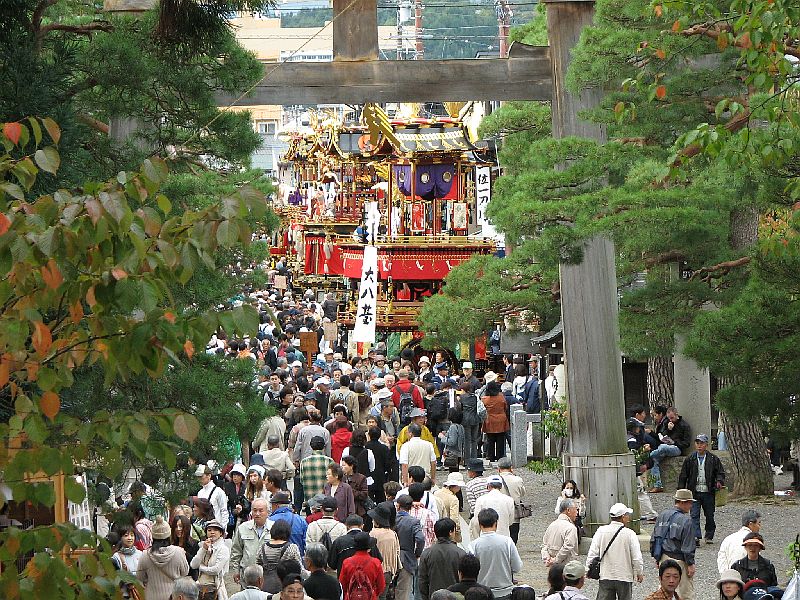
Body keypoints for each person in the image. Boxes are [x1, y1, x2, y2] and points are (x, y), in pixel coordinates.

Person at [585, 503, 644, 600]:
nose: (628, 517)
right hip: (624, 575)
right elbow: (636, 557)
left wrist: (588, 569)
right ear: (622, 517)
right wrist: (639, 572)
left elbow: (593, 552)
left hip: (606, 574)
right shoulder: (630, 534)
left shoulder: (601, 531)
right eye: (627, 515)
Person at [677, 433, 725, 545]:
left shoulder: (713, 459)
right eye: (697, 443)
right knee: (694, 514)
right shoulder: (690, 458)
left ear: (706, 445)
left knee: (709, 514)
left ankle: (709, 534)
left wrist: (719, 481)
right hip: (694, 491)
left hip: (708, 491)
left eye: (702, 443)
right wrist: (681, 490)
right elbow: (683, 475)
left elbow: (720, 472)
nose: (699, 445)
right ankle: (696, 536)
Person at [651, 490, 696, 600]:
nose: (691, 506)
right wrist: (690, 563)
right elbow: (688, 545)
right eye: (690, 502)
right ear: (683, 502)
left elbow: (654, 538)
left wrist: (657, 558)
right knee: (685, 592)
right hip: (680, 559)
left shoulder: (662, 515)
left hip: (663, 557)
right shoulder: (686, 520)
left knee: (664, 590)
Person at [469, 508, 522, 600]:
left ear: (480, 525)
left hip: (481, 593)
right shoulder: (507, 542)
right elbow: (517, 567)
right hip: (505, 591)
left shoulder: (473, 546)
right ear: (495, 523)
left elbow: (470, 572)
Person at [136, 516, 190, 600]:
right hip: (174, 596)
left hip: (151, 596)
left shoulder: (145, 554)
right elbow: (185, 572)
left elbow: (140, 577)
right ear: (168, 535)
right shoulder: (179, 552)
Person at [418, 518, 466, 600]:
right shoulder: (460, 553)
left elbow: (422, 580)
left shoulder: (427, 553)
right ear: (450, 532)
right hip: (455, 596)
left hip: (434, 596)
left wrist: (425, 597)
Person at [648, 407, 692, 493]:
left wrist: (674, 442)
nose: (670, 420)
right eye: (669, 418)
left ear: (677, 415)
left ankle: (651, 453)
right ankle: (658, 485)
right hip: (665, 446)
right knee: (653, 460)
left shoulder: (684, 425)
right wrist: (668, 430)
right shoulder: (667, 423)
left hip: (677, 448)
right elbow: (661, 436)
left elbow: (686, 443)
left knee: (662, 448)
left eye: (672, 418)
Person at [230, 498, 271, 585]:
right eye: (254, 510)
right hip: (247, 575)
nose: (257, 514)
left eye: (261, 510)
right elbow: (236, 551)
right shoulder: (243, 528)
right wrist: (236, 570)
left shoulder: (274, 528)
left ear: (267, 512)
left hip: (268, 576)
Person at [257, 519, 303, 593]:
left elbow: (258, 566)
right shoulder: (291, 547)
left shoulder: (263, 547)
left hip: (265, 586)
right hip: (285, 586)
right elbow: (299, 568)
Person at [367, 502, 401, 600]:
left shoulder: (373, 533)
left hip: (376, 572)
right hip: (389, 573)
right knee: (383, 597)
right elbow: (397, 552)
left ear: (377, 521)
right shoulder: (392, 533)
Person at [190, 519, 230, 600]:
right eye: (209, 530)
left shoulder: (223, 549)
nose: (212, 532)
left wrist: (201, 567)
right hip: (200, 588)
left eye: (215, 530)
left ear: (221, 533)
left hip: (214, 589)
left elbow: (216, 570)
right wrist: (203, 549)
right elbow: (193, 565)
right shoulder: (203, 545)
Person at [339, 531, 386, 600]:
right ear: (369, 547)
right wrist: (373, 593)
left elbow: (342, 585)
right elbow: (381, 585)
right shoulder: (376, 563)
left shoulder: (346, 562)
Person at [395, 495, 426, 600]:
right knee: (403, 591)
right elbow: (421, 539)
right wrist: (417, 553)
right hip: (407, 558)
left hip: (391, 556)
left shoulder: (391, 519)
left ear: (398, 506)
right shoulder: (413, 522)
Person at [717, 510, 762, 574]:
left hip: (728, 579)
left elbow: (721, 561)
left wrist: (725, 577)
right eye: (758, 523)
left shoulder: (728, 539)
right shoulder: (754, 541)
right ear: (751, 524)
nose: (760, 527)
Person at [470, 476, 515, 540]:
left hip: (485, 536)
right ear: (501, 486)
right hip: (504, 536)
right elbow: (510, 521)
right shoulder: (509, 500)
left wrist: (476, 537)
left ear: (488, 486)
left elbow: (476, 522)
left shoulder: (481, 500)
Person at [267, 491, 308, 556]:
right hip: (296, 560)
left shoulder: (270, 521)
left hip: (277, 560)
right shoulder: (300, 520)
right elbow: (306, 543)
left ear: (276, 505)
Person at [301, 436, 336, 510]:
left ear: (311, 446)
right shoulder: (330, 461)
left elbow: (302, 480)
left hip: (310, 502)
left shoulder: (304, 462)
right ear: (324, 446)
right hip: (326, 501)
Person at [541, 499, 579, 568]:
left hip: (552, 567)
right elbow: (568, 546)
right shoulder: (571, 528)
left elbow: (544, 545)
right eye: (576, 509)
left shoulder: (552, 525)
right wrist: (556, 560)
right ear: (568, 510)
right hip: (568, 567)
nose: (577, 513)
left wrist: (547, 558)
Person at [496, 458, 526, 544]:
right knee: (513, 535)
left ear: (499, 468)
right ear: (511, 467)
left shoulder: (496, 479)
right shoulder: (518, 479)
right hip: (514, 511)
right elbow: (522, 493)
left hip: (500, 511)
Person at [111, 524, 143, 599]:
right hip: (124, 595)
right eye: (126, 535)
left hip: (139, 593)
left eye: (132, 535)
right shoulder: (116, 557)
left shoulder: (140, 554)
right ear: (120, 538)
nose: (130, 538)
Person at [481, 381, 509, 461]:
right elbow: (505, 407)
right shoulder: (501, 397)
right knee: (501, 439)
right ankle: (500, 456)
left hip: (490, 420)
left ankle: (491, 456)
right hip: (501, 419)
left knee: (490, 440)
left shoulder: (485, 399)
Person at [434, 472, 464, 543]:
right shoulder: (453, 499)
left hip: (437, 526)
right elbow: (454, 518)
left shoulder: (436, 493)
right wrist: (457, 532)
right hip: (448, 529)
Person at [170, 514, 200, 580]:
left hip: (190, 580)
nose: (178, 529)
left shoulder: (195, 544)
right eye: (176, 526)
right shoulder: (171, 544)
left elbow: (195, 564)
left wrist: (184, 553)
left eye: (181, 526)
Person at [342, 455, 370, 521]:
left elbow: (364, 494)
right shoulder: (341, 478)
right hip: (343, 508)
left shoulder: (361, 478)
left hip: (357, 509)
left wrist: (350, 491)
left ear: (351, 466)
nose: (342, 468)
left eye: (344, 465)